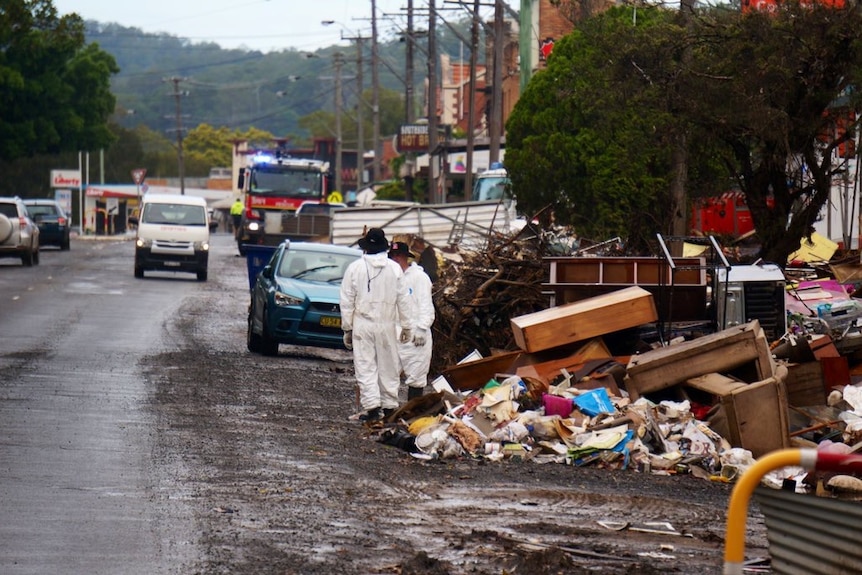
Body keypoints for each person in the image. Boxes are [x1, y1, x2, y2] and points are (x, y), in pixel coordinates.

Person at [340, 228, 412, 423]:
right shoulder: (395, 269)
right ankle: (389, 407)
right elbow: (403, 299)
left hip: (363, 323)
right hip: (387, 324)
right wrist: (406, 325)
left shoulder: (355, 268)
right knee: (388, 365)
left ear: (366, 247)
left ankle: (372, 407)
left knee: (365, 365)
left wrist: (347, 327)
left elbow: (346, 300)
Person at [389, 240, 435, 401]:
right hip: (394, 332)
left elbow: (425, 304)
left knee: (416, 375)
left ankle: (412, 413)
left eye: (399, 256)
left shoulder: (419, 278)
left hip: (415, 334)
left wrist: (422, 328)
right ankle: (389, 413)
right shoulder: (389, 278)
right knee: (389, 375)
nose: (396, 259)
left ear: (405, 257)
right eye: (393, 256)